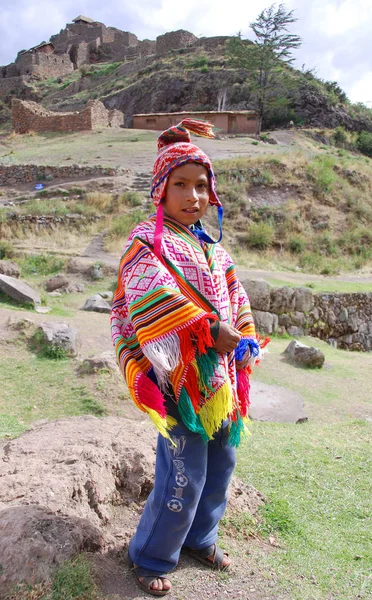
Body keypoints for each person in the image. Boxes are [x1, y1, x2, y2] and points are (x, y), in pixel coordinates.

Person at [110, 119, 267, 596]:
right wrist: (204, 328)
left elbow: (234, 293)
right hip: (176, 379)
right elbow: (145, 297)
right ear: (161, 188)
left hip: (218, 380)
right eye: (180, 184)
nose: (193, 196)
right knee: (183, 473)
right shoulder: (147, 242)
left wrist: (242, 332)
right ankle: (153, 555)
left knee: (221, 465)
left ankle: (201, 538)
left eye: (201, 186)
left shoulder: (212, 247)